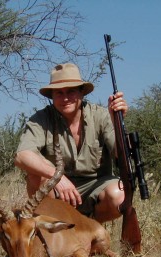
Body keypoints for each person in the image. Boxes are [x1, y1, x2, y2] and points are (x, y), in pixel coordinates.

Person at [14, 63, 128, 224]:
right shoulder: (40, 119)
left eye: (71, 91)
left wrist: (117, 121)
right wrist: (58, 177)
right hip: (59, 191)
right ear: (52, 96)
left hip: (95, 187)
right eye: (59, 93)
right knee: (35, 176)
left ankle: (88, 227)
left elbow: (120, 155)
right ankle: (58, 227)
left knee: (119, 195)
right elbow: (22, 156)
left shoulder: (101, 116)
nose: (65, 98)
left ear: (82, 92)